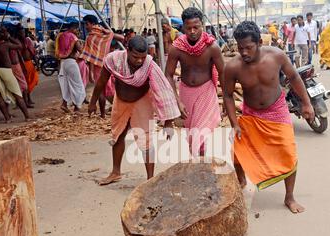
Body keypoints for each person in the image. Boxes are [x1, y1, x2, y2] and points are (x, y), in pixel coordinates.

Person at [223, 21, 314, 213]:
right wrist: (234, 124)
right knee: (238, 152)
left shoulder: (277, 56)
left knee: (288, 152)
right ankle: (241, 182)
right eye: (240, 48)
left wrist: (306, 103)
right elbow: (228, 95)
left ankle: (289, 197)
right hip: (251, 113)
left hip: (277, 110)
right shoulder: (233, 67)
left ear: (259, 43)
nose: (244, 52)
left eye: (248, 47)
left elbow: (294, 78)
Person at [88, 36, 180, 185]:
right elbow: (101, 82)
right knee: (118, 135)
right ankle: (115, 172)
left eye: (142, 57)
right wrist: (93, 103)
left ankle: (150, 179)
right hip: (121, 101)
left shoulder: (149, 64)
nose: (139, 61)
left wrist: (168, 122)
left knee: (146, 140)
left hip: (142, 101)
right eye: (135, 57)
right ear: (127, 50)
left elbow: (164, 91)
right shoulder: (113, 60)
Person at [165, 7, 225, 156]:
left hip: (206, 92)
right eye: (188, 28)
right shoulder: (177, 48)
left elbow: (223, 74)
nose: (192, 31)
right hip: (186, 93)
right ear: (183, 27)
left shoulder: (212, 47)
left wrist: (225, 100)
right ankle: (200, 165)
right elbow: (168, 74)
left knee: (199, 133)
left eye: (196, 27)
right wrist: (177, 101)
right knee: (193, 136)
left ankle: (199, 164)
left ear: (202, 26)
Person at [78, 15, 124, 117]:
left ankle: (107, 112)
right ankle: (114, 110)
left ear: (92, 23)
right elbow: (121, 38)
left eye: (87, 24)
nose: (86, 26)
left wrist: (90, 72)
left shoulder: (90, 37)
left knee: (101, 91)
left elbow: (91, 57)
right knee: (108, 89)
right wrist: (110, 33)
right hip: (108, 64)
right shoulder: (103, 33)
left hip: (98, 67)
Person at [0, 24, 30, 122]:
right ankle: (27, 117)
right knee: (17, 94)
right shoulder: (4, 44)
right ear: (0, 34)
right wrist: (8, 37)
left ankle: (7, 119)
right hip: (6, 70)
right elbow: (20, 45)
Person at [55, 23, 86, 113]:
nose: (77, 32)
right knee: (77, 84)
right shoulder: (73, 37)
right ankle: (77, 107)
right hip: (71, 62)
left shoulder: (60, 36)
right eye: (77, 29)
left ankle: (64, 104)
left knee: (66, 85)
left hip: (63, 63)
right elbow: (80, 49)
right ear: (73, 28)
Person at [5, 27, 31, 108]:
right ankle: (20, 103)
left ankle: (24, 103)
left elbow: (19, 55)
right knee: (17, 86)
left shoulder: (12, 44)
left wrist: (23, 66)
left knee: (23, 86)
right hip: (12, 67)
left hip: (16, 66)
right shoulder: (6, 44)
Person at [17, 25, 38, 105]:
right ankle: (25, 100)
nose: (22, 34)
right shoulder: (17, 41)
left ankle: (28, 99)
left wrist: (36, 62)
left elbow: (32, 52)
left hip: (29, 63)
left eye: (23, 32)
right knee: (24, 83)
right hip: (21, 64)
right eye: (20, 32)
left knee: (32, 80)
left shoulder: (27, 40)